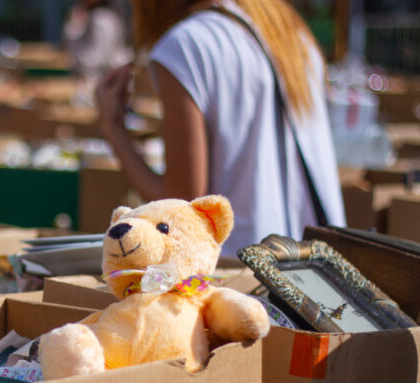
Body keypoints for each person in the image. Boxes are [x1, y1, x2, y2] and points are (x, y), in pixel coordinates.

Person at [95, 0, 346, 255]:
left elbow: (181, 204)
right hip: (312, 267)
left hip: (243, 268)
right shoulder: (287, 29)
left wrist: (113, 128)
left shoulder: (186, 44)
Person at [63, 0, 132, 102]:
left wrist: (74, 29)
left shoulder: (102, 19)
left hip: (103, 91)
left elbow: (95, 63)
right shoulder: (106, 16)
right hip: (107, 90)